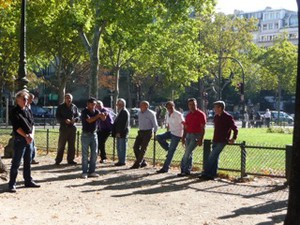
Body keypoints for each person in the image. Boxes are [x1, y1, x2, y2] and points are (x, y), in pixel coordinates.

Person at [8, 90, 40, 192]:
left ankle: (28, 180)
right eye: (24, 99)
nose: (26, 101)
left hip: (29, 140)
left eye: (27, 99)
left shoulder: (28, 110)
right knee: (16, 162)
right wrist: (26, 136)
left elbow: (33, 124)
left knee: (28, 162)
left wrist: (32, 136)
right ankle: (12, 183)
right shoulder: (14, 111)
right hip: (20, 140)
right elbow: (16, 127)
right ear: (18, 99)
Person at [199, 101, 238, 181]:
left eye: (215, 107)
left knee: (211, 156)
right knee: (215, 157)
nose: (214, 109)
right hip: (215, 139)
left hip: (222, 141)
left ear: (220, 108)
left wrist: (233, 138)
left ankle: (205, 172)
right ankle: (212, 174)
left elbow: (235, 128)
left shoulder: (228, 117)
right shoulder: (216, 117)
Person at [178, 98, 206, 177]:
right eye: (190, 104)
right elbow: (186, 128)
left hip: (196, 135)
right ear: (188, 105)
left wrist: (201, 139)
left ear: (196, 104)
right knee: (189, 153)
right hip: (188, 135)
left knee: (187, 152)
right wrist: (183, 137)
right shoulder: (188, 115)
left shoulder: (201, 114)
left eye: (193, 104)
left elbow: (203, 128)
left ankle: (183, 169)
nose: (192, 106)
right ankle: (187, 170)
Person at [156, 101, 184, 173]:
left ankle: (165, 168)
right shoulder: (167, 114)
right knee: (158, 137)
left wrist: (183, 136)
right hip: (171, 132)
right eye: (168, 107)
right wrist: (167, 132)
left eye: (171, 107)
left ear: (174, 106)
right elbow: (168, 124)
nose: (170, 109)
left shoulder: (178, 114)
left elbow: (184, 124)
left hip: (177, 134)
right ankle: (168, 148)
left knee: (171, 152)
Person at [131, 101, 158, 169]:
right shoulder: (139, 113)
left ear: (146, 106)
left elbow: (155, 125)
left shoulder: (151, 113)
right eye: (140, 105)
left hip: (148, 132)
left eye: (142, 105)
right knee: (135, 147)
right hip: (140, 132)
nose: (140, 106)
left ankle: (137, 163)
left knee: (143, 148)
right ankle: (142, 162)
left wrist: (155, 133)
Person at [55, 93, 80, 165]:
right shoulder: (60, 107)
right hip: (64, 128)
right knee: (61, 145)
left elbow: (78, 116)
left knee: (72, 145)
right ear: (64, 99)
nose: (68, 99)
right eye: (67, 98)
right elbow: (57, 117)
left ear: (71, 99)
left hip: (72, 128)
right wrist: (64, 120)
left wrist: (75, 120)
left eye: (69, 98)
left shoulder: (74, 107)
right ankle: (58, 160)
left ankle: (70, 160)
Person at [81, 97, 101, 179]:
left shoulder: (97, 111)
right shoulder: (84, 111)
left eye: (95, 104)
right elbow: (89, 120)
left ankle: (92, 171)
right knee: (85, 154)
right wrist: (98, 116)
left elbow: (103, 118)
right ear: (88, 104)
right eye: (92, 104)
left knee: (94, 154)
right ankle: (84, 172)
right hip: (85, 135)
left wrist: (104, 115)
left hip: (94, 134)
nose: (94, 106)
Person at [112, 98, 130, 166]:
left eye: (119, 104)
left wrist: (119, 132)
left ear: (122, 105)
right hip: (119, 132)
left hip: (122, 132)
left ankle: (122, 161)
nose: (117, 105)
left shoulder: (124, 112)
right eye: (117, 104)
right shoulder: (120, 111)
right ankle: (120, 160)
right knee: (119, 147)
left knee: (122, 147)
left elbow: (123, 123)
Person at [27, 93, 39, 164]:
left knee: (32, 144)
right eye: (31, 98)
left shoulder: (29, 106)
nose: (32, 100)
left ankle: (32, 158)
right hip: (27, 128)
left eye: (32, 99)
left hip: (31, 127)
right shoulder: (25, 106)